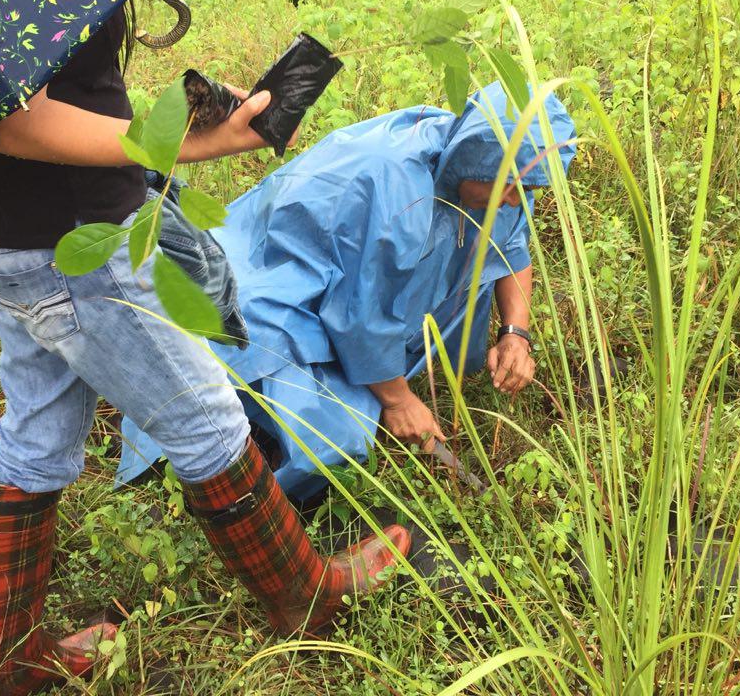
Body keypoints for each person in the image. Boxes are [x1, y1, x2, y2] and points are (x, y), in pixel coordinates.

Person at [0, 0, 412, 695]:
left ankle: (8, 663)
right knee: (206, 420)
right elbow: (17, 122)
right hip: (71, 241)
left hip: (7, 234)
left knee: (36, 434)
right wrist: (185, 144)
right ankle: (305, 597)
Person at [119, 84, 577, 502]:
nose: (516, 201)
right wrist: (398, 401)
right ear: (474, 158)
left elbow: (511, 243)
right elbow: (356, 314)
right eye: (510, 188)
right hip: (291, 278)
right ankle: (241, 493)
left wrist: (516, 333)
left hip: (367, 292)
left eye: (528, 188)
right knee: (338, 431)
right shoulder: (401, 194)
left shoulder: (500, 170)